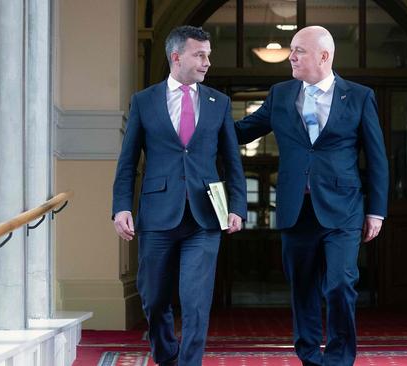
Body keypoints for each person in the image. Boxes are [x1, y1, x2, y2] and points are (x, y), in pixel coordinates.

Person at [234, 26, 388, 366]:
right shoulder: (280, 93)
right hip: (295, 209)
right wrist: (203, 120)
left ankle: (338, 358)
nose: (291, 56)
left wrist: (376, 211)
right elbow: (243, 131)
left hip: (344, 210)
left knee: (340, 284)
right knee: (302, 288)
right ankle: (308, 354)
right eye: (291, 50)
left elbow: (376, 157)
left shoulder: (359, 96)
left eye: (298, 50)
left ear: (324, 56)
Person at [112, 25, 247, 366]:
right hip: (157, 216)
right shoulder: (144, 101)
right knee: (154, 298)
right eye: (200, 55)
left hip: (205, 218)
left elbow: (233, 161)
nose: (207, 62)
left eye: (208, 55)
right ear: (176, 57)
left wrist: (238, 208)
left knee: (196, 299)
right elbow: (128, 161)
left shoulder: (219, 102)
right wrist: (121, 208)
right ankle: (165, 353)